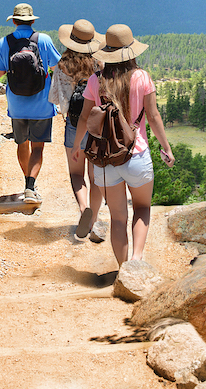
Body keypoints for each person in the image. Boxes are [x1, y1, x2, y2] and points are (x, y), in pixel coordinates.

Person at [75, 23, 175, 267]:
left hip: (105, 159)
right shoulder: (142, 78)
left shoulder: (95, 81)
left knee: (117, 218)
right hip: (136, 155)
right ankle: (137, 261)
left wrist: (78, 146)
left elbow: (85, 118)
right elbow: (153, 117)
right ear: (131, 51)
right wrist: (166, 148)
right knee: (142, 209)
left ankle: (123, 271)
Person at [0, 3, 61, 203]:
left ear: (14, 21)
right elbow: (57, 65)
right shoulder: (44, 40)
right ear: (33, 21)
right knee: (37, 147)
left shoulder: (4, 42)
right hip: (41, 104)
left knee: (22, 144)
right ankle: (30, 187)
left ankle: (27, 182)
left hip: (16, 104)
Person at [48, 19, 104, 239]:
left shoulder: (62, 66)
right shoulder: (99, 64)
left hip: (73, 123)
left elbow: (55, 98)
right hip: (97, 125)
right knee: (94, 174)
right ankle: (95, 220)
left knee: (76, 173)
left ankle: (83, 209)